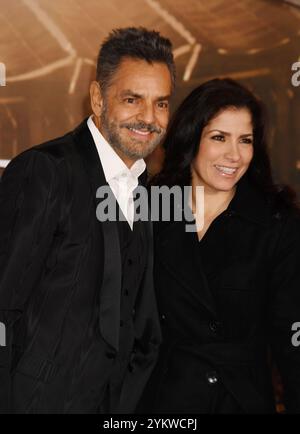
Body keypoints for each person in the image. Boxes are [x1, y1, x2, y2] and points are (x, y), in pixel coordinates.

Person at [0, 27, 175, 414]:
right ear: (97, 98)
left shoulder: (145, 187)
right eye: (132, 100)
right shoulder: (44, 171)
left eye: (161, 103)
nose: (149, 118)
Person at [139, 78, 300, 414]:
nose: (234, 155)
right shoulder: (149, 208)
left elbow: (291, 338)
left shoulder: (276, 223)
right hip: (164, 402)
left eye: (245, 140)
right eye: (219, 137)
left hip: (238, 400)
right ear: (190, 138)